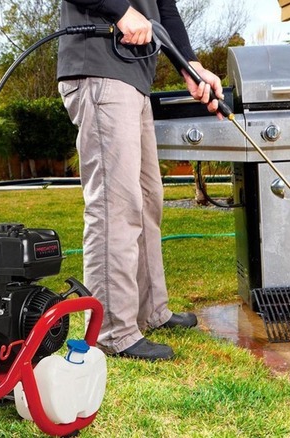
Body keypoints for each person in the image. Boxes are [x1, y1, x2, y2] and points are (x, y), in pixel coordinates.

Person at [57, 0, 224, 361]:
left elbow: (164, 9)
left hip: (134, 78)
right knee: (116, 204)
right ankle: (113, 329)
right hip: (100, 68)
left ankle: (151, 311)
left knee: (148, 199)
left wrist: (189, 64)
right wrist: (120, 10)